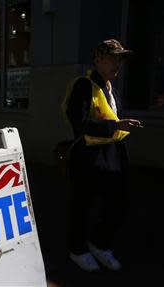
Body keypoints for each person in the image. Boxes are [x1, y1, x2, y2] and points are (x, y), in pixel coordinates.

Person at [64, 39, 142, 272]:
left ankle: (98, 243)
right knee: (82, 204)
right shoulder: (84, 85)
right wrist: (116, 126)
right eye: (112, 57)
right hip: (88, 155)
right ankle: (77, 250)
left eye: (120, 58)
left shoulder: (110, 88)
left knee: (119, 202)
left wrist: (120, 127)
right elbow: (77, 121)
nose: (117, 63)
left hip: (111, 154)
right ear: (97, 60)